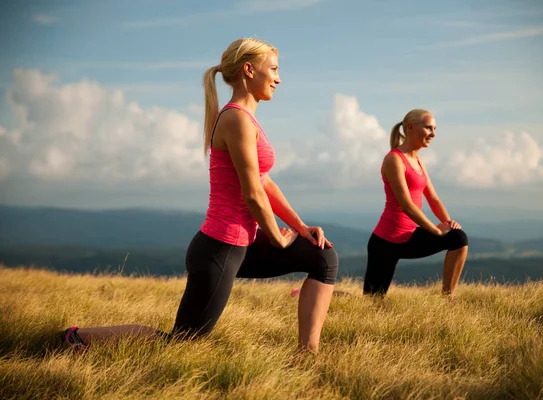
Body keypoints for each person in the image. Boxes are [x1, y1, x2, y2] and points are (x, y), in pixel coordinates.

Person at [63, 38, 338, 354]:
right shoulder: (235, 119)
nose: (278, 78)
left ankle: (308, 355)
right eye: (273, 69)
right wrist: (278, 238)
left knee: (323, 256)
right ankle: (77, 337)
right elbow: (252, 194)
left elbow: (264, 183)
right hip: (220, 249)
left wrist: (301, 228)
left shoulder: (248, 121)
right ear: (249, 70)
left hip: (243, 244)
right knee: (182, 342)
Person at [363, 109, 468, 299]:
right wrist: (436, 231)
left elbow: (434, 199)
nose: (433, 133)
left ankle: (447, 298)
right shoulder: (394, 159)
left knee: (458, 238)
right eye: (428, 127)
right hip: (385, 243)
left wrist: (448, 222)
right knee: (371, 302)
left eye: (435, 128)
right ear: (410, 128)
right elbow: (407, 205)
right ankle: (304, 293)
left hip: (410, 237)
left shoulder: (418, 161)